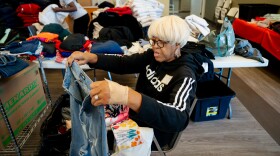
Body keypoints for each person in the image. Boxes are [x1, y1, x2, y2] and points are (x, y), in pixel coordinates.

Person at [67, 15, 204, 150]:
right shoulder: (154, 56)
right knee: (86, 119)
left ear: (177, 44)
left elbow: (178, 118)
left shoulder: (185, 75)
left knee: (90, 132)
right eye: (153, 41)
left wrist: (128, 95)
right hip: (134, 117)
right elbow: (124, 63)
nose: (155, 47)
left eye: (160, 42)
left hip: (153, 133)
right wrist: (92, 57)